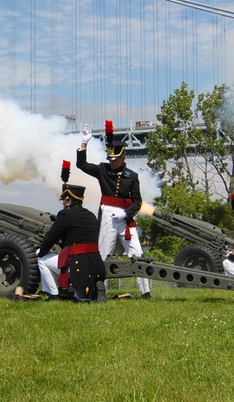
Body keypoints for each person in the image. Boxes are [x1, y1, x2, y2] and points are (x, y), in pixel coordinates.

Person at [77, 121, 150, 299]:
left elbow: (137, 202)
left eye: (115, 159)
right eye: (111, 159)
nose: (112, 162)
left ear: (123, 157)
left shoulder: (132, 177)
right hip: (108, 216)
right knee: (103, 254)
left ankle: (145, 292)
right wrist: (84, 144)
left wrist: (126, 213)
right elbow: (82, 165)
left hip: (125, 218)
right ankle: (101, 290)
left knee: (137, 253)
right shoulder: (103, 169)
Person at [36, 166, 106, 302]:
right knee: (81, 299)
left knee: (42, 260)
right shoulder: (91, 215)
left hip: (77, 264)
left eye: (64, 201)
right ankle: (81, 295)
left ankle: (53, 294)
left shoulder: (65, 214)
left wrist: (41, 252)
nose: (63, 204)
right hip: (96, 264)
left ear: (68, 201)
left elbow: (50, 238)